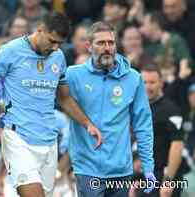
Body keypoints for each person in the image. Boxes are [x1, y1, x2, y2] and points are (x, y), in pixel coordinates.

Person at [0, 12, 102, 197]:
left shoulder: (58, 57)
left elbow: (64, 98)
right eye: (52, 40)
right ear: (40, 29)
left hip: (48, 142)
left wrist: (88, 124)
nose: (55, 47)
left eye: (60, 44)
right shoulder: (10, 51)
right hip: (17, 138)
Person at [65, 21, 155, 197]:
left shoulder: (133, 79)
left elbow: (143, 125)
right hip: (87, 167)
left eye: (111, 43)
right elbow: (55, 102)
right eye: (101, 43)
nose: (107, 48)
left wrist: (148, 166)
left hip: (121, 169)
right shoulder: (73, 75)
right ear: (88, 46)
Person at [141, 65, 185, 197]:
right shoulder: (138, 109)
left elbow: (177, 146)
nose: (148, 87)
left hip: (164, 178)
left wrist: (168, 180)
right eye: (144, 82)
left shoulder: (171, 110)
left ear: (161, 83)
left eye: (152, 82)